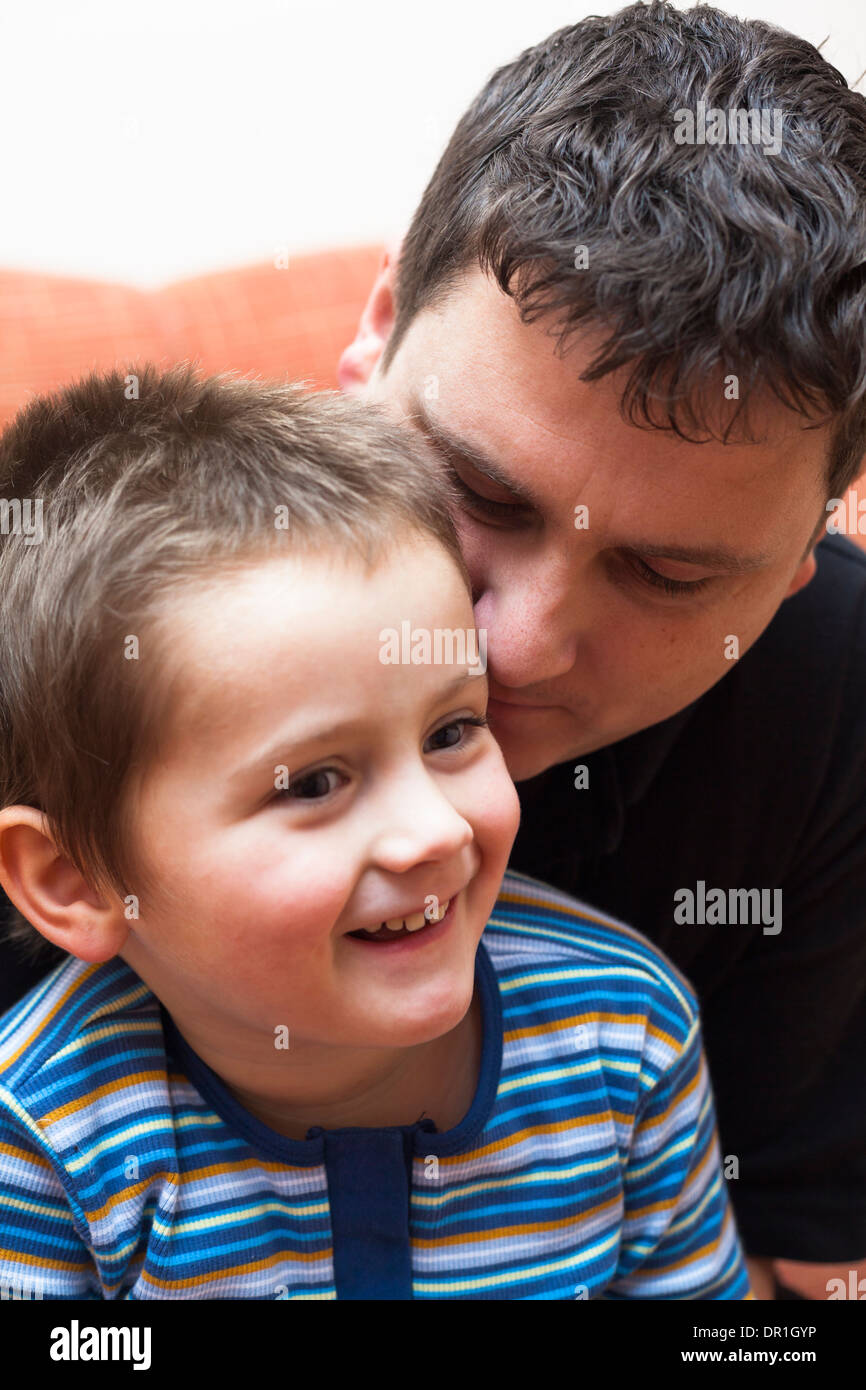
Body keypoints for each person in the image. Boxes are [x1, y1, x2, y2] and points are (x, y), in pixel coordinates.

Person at [0, 365, 751, 1299]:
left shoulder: (629, 1030)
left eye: (451, 733)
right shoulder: (41, 1134)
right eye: (314, 782)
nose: (432, 831)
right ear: (74, 880)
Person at [335, 3, 866, 1299]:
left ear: (798, 557)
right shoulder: (84, 619)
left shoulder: (833, 687)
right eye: (476, 491)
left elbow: (796, 1272)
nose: (509, 646)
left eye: (667, 574)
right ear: (373, 341)